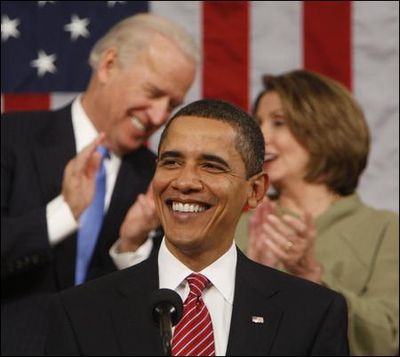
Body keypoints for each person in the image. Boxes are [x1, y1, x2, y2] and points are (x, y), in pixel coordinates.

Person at [45, 99, 349, 356]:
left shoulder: (312, 314)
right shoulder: (80, 313)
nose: (185, 181)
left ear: (255, 191)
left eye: (211, 166)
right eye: (172, 162)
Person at [1, 13, 199, 355]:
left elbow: (163, 302)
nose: (158, 116)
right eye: (153, 93)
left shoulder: (156, 178)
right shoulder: (12, 136)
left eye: (172, 104)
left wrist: (131, 246)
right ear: (108, 65)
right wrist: (64, 214)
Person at [235, 70, 399, 356]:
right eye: (258, 123)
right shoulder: (237, 221)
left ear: (325, 130)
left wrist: (314, 279)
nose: (260, 136)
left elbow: (387, 337)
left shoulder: (384, 229)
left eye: (278, 122)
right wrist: (251, 277)